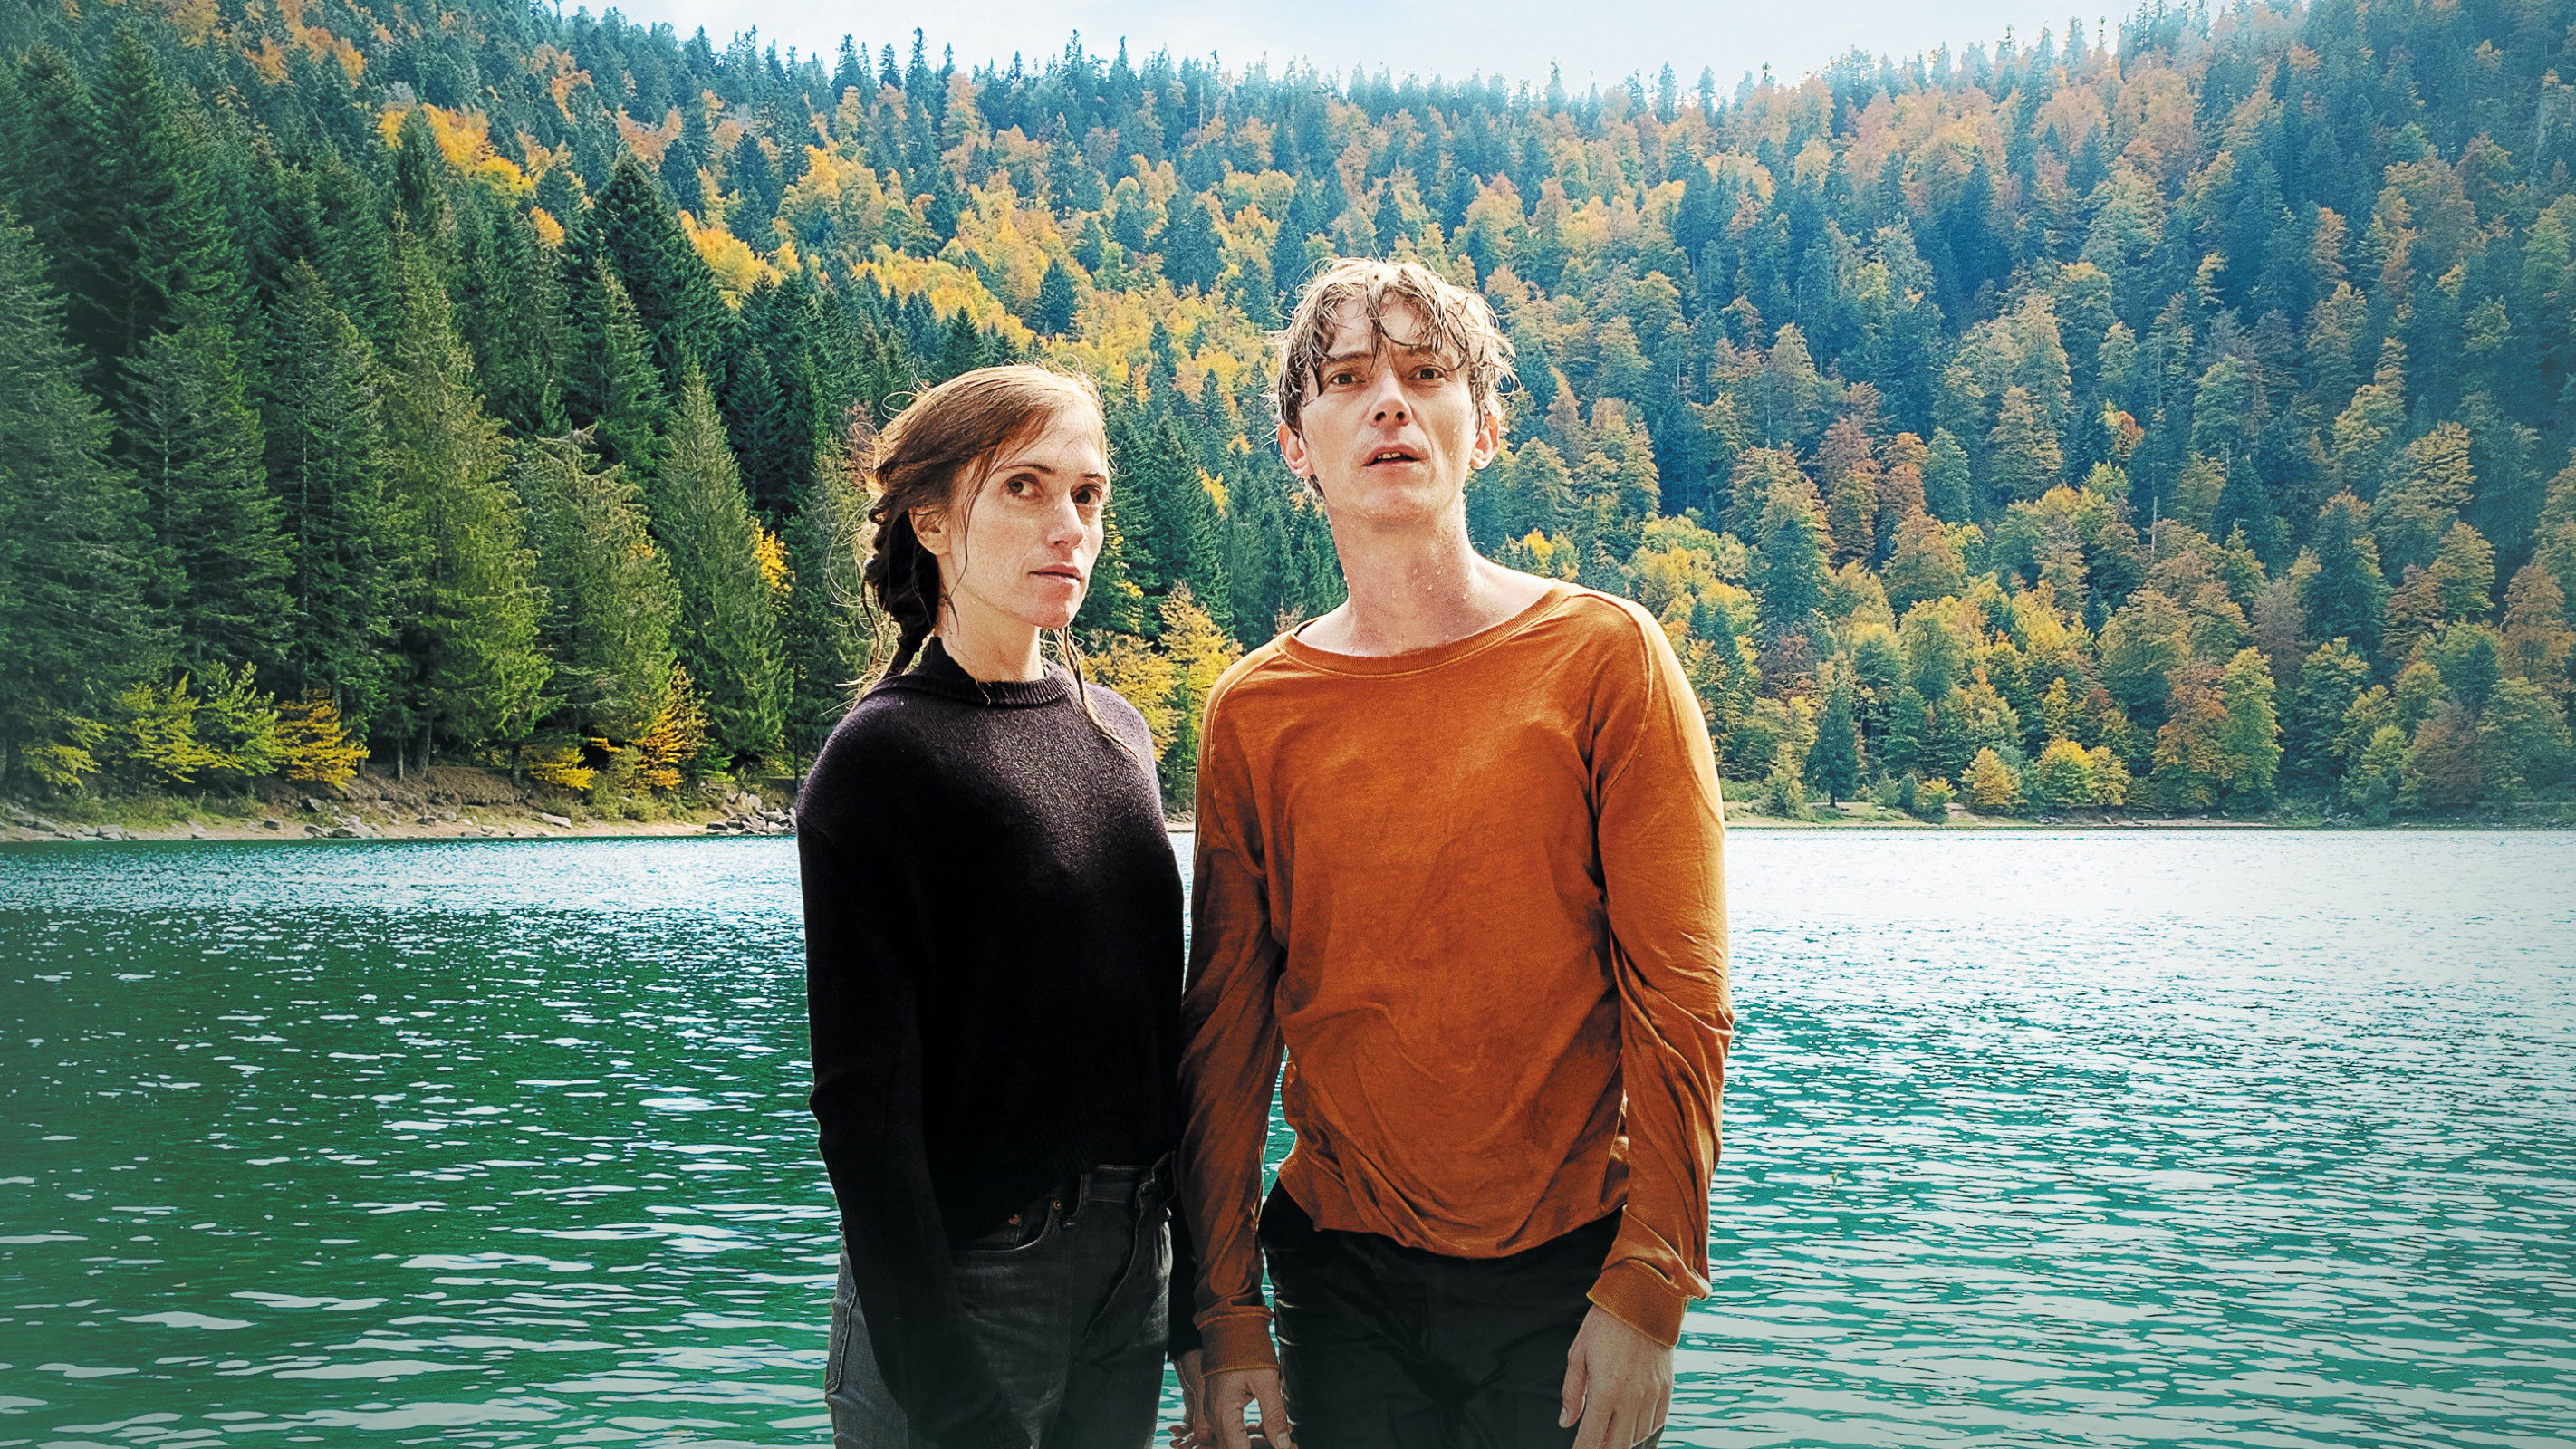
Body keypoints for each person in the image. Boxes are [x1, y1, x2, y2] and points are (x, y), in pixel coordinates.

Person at [1178, 259, 1733, 1449]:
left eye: (1426, 374)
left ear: (1482, 429)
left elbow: (1681, 1005)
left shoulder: (1607, 660)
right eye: (1347, 380)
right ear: (1296, 445)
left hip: (1571, 1276)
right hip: (1340, 1282)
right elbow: (1226, 1041)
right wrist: (1224, 1312)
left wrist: (1651, 1283)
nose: (1389, 401)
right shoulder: (1255, 712)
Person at [797, 365, 1206, 1449]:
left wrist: (1197, 1310)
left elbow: (1153, 1050)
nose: (1068, 524)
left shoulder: (1117, 733)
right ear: (932, 521)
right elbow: (862, 1110)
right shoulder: (880, 757)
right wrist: (945, 1390)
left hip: (1133, 1270)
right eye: (1024, 486)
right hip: (969, 1279)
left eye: (1087, 493)